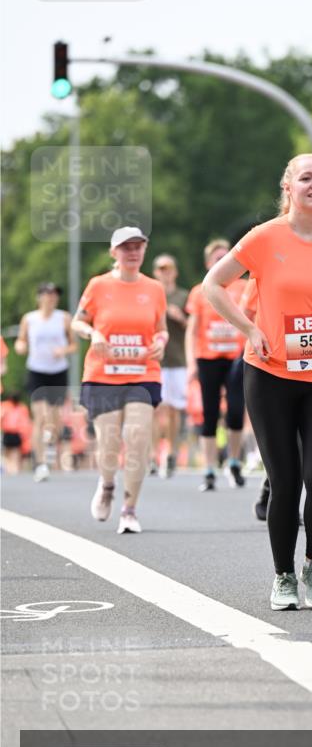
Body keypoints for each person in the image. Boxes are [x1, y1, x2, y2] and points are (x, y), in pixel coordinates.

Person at [202, 153, 312, 610]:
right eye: (306, 178)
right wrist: (249, 329)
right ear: (288, 188)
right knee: (286, 480)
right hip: (269, 374)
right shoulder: (265, 237)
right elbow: (213, 285)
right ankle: (283, 576)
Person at [72, 226, 167, 533]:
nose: (133, 252)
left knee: (138, 439)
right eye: (126, 247)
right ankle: (107, 483)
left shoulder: (154, 288)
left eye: (138, 246)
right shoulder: (98, 285)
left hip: (143, 372)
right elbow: (77, 322)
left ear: (145, 249)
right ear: (114, 252)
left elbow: (161, 328)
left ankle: (129, 510)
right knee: (109, 443)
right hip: (104, 374)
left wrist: (161, 341)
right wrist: (93, 333)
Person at [186, 239, 247, 491]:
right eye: (217, 258)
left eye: (225, 257)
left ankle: (233, 462)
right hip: (208, 358)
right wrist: (191, 362)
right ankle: (209, 469)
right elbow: (192, 330)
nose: (222, 261)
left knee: (236, 410)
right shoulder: (200, 290)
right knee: (209, 412)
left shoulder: (243, 287)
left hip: (237, 356)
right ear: (208, 263)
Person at [14, 282, 76, 482]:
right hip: (37, 371)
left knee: (55, 420)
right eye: (47, 294)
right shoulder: (29, 319)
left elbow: (73, 345)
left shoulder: (64, 318)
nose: (51, 298)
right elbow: (21, 340)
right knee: (40, 416)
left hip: (58, 371)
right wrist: (20, 346)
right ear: (39, 297)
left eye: (54, 294)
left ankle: (50, 447)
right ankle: (40, 464)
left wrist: (62, 350)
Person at [152, 253, 189, 477]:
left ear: (175, 272)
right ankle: (153, 454)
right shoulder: (150, 295)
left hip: (177, 359)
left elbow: (193, 326)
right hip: (154, 359)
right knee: (156, 409)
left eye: (168, 269)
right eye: (161, 269)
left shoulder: (183, 296)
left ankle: (171, 453)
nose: (165, 274)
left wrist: (180, 318)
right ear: (156, 273)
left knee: (174, 410)